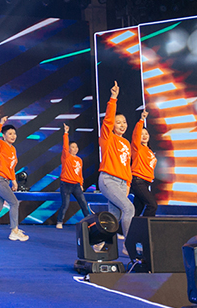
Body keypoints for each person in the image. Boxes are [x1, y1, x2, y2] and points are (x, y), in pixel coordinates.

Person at [98, 81, 134, 238]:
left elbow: (127, 166)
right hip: (109, 179)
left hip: (122, 183)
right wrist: (113, 98)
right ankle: (129, 245)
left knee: (114, 216)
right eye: (118, 122)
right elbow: (107, 120)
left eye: (124, 122)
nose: (122, 125)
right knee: (129, 208)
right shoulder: (108, 138)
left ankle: (100, 242)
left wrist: (128, 184)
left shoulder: (126, 142)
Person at [56, 123, 91, 229]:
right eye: (72, 147)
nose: (75, 149)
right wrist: (66, 133)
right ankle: (59, 221)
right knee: (65, 204)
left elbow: (80, 173)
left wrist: (81, 184)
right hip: (66, 184)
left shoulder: (79, 160)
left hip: (76, 185)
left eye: (76, 147)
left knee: (83, 203)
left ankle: (89, 222)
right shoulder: (66, 157)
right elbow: (65, 146)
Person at [131, 109, 158, 217]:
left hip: (146, 182)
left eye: (146, 133)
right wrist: (141, 120)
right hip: (138, 181)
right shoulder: (137, 148)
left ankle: (127, 227)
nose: (144, 136)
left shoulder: (149, 151)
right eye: (142, 134)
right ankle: (146, 226)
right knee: (152, 205)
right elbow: (136, 135)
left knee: (137, 210)